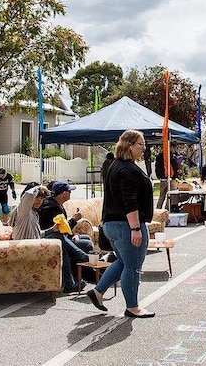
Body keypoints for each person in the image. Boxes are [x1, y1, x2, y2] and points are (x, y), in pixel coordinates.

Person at [86, 129, 155, 318]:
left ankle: (98, 292)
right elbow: (129, 201)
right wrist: (135, 228)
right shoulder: (128, 170)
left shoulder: (115, 166)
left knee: (124, 262)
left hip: (112, 224)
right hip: (126, 225)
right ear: (129, 145)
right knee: (133, 266)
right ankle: (132, 307)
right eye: (140, 144)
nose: (143, 148)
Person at [38, 180, 92, 292]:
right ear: (63, 194)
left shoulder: (56, 205)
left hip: (61, 237)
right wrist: (74, 219)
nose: (71, 193)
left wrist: (74, 234)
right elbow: (60, 230)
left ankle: (80, 274)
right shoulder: (52, 207)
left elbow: (64, 229)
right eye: (69, 191)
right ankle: (71, 281)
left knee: (86, 241)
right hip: (52, 239)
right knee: (66, 248)